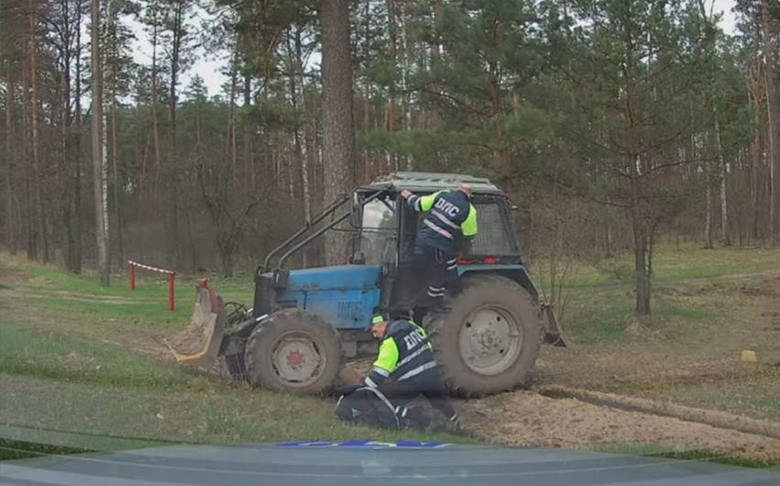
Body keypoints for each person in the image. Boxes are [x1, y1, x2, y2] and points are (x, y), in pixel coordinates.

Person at [363, 312, 459, 429]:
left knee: (388, 404)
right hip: (431, 372)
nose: (374, 336)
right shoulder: (411, 325)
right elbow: (428, 344)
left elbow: (379, 373)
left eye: (374, 331)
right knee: (439, 401)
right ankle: (456, 424)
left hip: (412, 380)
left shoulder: (390, 341)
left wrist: (363, 389)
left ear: (382, 325)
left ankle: (419, 419)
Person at [399, 183, 477, 306]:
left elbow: (418, 205)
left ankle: (428, 298)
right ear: (469, 196)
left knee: (433, 270)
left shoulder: (443, 194)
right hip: (439, 247)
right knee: (445, 271)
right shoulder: (469, 210)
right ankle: (439, 299)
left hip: (420, 242)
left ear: (457, 190)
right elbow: (469, 235)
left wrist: (408, 196)